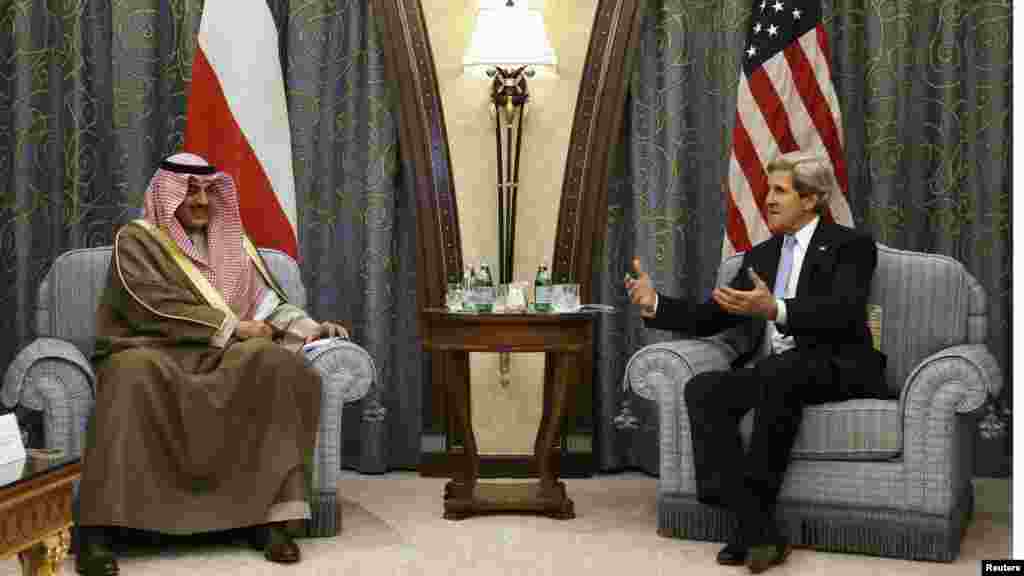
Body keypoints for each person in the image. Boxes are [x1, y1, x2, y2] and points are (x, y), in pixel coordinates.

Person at [76, 153, 349, 575]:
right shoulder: (138, 239)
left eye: (208, 190)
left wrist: (310, 328)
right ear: (168, 195)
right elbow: (150, 303)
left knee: (274, 364)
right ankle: (101, 530)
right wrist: (230, 327)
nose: (202, 200)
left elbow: (264, 303)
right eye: (190, 191)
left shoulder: (233, 242)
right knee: (131, 374)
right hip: (153, 349)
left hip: (222, 354)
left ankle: (267, 520)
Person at [625, 151, 886, 574]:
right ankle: (756, 525)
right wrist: (654, 302)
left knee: (777, 373)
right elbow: (712, 315)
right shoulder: (762, 255)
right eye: (768, 190)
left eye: (780, 191)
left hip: (840, 364)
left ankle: (748, 529)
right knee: (704, 388)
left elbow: (843, 312)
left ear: (812, 199)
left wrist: (776, 309)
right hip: (780, 372)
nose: (768, 199)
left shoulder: (851, 246)